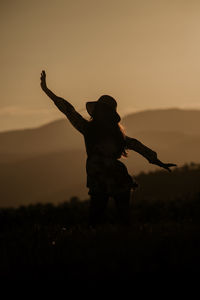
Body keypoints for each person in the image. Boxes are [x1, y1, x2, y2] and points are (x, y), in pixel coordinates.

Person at [40, 70, 176, 226]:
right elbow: (67, 109)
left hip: (111, 177)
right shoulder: (93, 130)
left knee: (118, 218)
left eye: (103, 110)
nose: (100, 112)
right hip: (101, 178)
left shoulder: (107, 134)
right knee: (98, 218)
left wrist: (157, 161)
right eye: (100, 110)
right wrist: (47, 90)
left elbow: (139, 146)